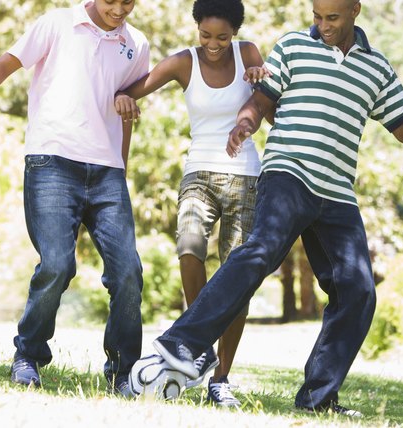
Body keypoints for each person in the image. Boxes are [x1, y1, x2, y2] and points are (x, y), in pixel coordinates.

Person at [148, 0, 403, 416]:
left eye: (332, 18)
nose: (322, 25)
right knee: (262, 250)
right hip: (288, 173)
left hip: (337, 191)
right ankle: (181, 343)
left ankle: (318, 398)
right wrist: (246, 122)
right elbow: (262, 100)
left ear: (355, 10)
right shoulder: (292, 47)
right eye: (317, 16)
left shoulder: (376, 68)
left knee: (357, 290)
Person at [0, 0, 150, 395]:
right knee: (57, 264)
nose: (120, 10)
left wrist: (121, 168)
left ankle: (124, 372)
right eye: (113, 1)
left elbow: (125, 107)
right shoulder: (57, 23)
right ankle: (28, 355)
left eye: (129, 2)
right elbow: (6, 63)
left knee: (128, 271)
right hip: (52, 161)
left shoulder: (137, 44)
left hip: (108, 171)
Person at [115, 0, 273, 407]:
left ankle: (221, 377)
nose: (214, 44)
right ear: (196, 27)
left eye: (222, 37)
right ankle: (198, 342)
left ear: (235, 33)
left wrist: (262, 82)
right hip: (198, 170)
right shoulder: (181, 62)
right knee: (188, 246)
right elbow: (130, 92)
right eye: (206, 35)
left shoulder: (249, 54)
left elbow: (271, 111)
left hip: (246, 175)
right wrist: (124, 101)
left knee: (237, 276)